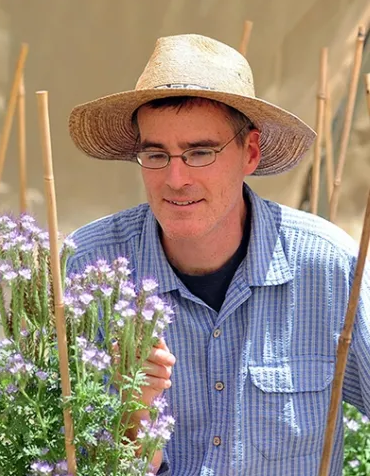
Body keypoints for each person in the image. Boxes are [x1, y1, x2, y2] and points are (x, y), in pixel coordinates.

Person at [65, 34, 370, 475]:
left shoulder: (328, 266)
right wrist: (133, 413)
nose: (176, 178)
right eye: (155, 154)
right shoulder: (89, 272)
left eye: (200, 152)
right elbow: (62, 456)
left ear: (249, 152)